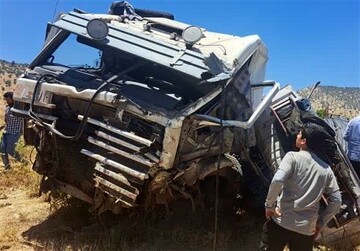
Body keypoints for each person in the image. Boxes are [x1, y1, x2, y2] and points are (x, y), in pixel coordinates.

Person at [260, 123, 342, 251]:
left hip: (281, 221)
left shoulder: (292, 157)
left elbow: (277, 179)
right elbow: (337, 201)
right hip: (306, 230)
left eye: (299, 134)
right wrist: (319, 224)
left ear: (304, 141)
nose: (296, 135)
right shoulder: (326, 170)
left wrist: (269, 205)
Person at [0, 92, 24, 170]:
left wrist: (22, 132)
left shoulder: (19, 109)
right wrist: (2, 127)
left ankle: (23, 161)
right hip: (6, 132)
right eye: (5, 99)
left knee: (10, 150)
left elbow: (24, 121)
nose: (7, 101)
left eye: (8, 99)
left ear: (13, 98)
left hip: (15, 133)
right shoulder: (7, 108)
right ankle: (7, 167)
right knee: (2, 150)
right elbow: (7, 121)